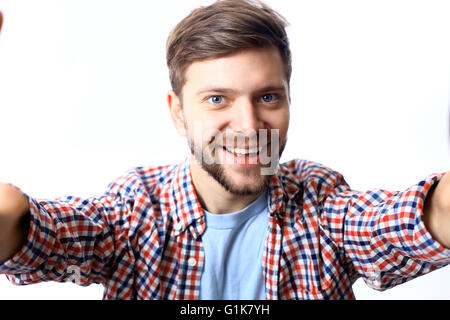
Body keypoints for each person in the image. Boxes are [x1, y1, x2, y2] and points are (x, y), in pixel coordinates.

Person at [0, 0, 449, 300]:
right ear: (177, 112)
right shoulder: (136, 210)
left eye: (268, 97)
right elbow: (32, 228)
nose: (250, 126)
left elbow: (412, 220)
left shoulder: (321, 202)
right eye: (218, 99)